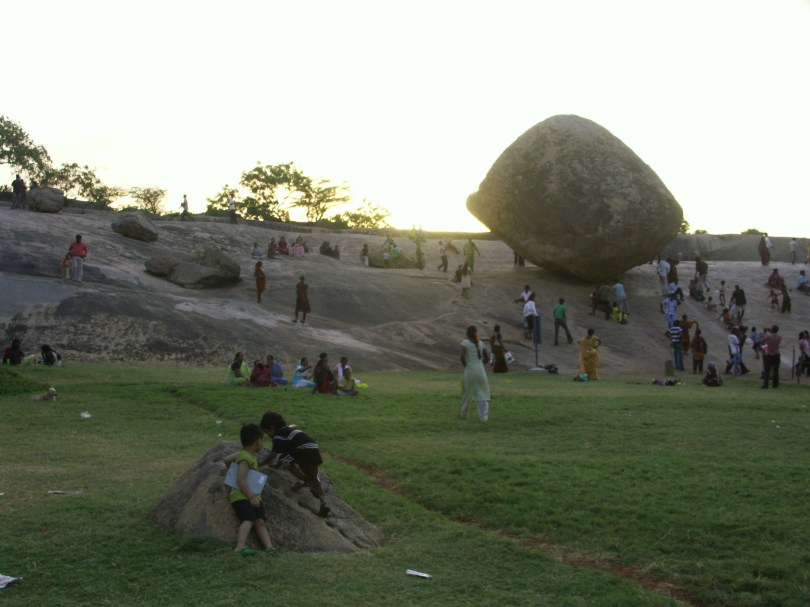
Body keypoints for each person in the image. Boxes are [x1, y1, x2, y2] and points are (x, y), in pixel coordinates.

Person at [259, 411, 330, 517]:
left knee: (285, 460)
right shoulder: (289, 430)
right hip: (314, 450)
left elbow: (273, 454)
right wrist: (277, 465)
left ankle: (303, 480)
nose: (268, 436)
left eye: (267, 432)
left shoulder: (279, 436)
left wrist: (261, 463)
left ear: (272, 427)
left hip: (303, 451)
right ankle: (323, 503)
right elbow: (287, 451)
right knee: (313, 476)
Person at [227, 423, 277, 556]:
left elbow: (226, 459)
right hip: (242, 497)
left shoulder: (245, 455)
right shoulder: (245, 458)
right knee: (248, 519)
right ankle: (240, 547)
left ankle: (269, 547)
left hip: (254, 496)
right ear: (258, 441)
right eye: (263, 441)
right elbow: (241, 480)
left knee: (260, 521)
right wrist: (251, 497)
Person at [459, 325, 491, 422]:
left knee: (467, 392)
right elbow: (487, 358)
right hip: (480, 370)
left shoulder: (465, 343)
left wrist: (466, 366)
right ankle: (484, 417)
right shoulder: (481, 343)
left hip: (470, 370)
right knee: (482, 393)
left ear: (467, 334)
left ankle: (464, 414)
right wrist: (480, 364)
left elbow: (461, 357)